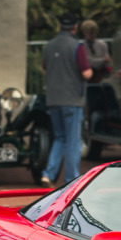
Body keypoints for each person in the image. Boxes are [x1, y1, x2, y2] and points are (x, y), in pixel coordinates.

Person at [41, 12, 92, 187]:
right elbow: (86, 73)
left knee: (59, 138)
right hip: (72, 99)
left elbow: (45, 70)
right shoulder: (77, 46)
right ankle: (71, 179)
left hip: (53, 98)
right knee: (73, 141)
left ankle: (48, 174)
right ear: (75, 27)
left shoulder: (49, 46)